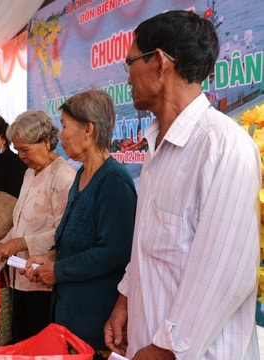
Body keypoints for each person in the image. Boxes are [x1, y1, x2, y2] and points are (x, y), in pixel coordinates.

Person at [103, 10, 261, 359]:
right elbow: (150, 245)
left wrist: (165, 349)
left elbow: (224, 274)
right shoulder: (157, 146)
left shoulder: (222, 146)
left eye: (130, 62)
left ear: (158, 63)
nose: (127, 76)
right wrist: (125, 300)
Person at [24, 90, 137, 356]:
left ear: (88, 129)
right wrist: (50, 256)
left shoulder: (113, 181)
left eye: (64, 126)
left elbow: (114, 253)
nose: (60, 135)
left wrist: (59, 271)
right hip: (69, 311)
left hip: (95, 318)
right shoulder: (82, 174)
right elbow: (74, 238)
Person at [0, 110, 76, 342]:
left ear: (46, 142)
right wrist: (4, 243)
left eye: (25, 149)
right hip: (20, 276)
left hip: (43, 282)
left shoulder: (62, 175)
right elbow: (21, 223)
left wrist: (21, 242)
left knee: (40, 344)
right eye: (18, 150)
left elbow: (65, 232)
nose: (22, 156)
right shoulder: (29, 173)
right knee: (19, 341)